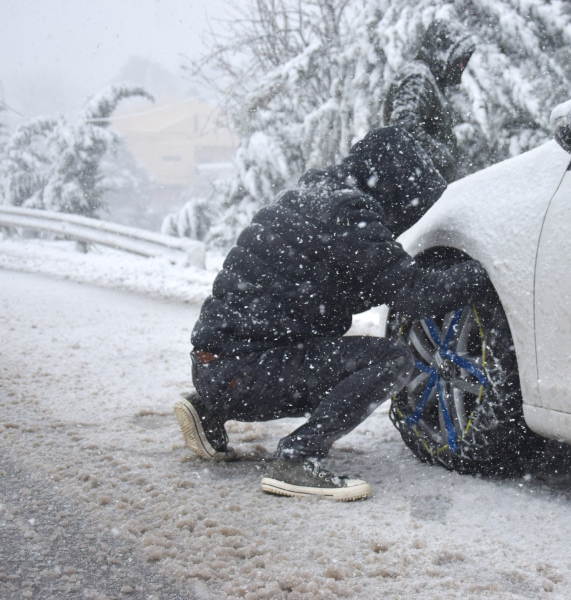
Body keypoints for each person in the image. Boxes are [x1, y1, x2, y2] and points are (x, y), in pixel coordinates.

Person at [174, 127, 490, 501]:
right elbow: (415, 294)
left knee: (322, 354)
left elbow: (338, 286)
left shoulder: (312, 200)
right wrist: (487, 269)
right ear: (393, 187)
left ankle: (209, 406)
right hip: (245, 371)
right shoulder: (347, 215)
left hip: (218, 365)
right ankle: (296, 458)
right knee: (391, 360)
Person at [383, 20, 475, 183]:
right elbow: (402, 127)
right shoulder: (420, 78)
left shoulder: (427, 79)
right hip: (415, 189)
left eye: (464, 61)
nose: (461, 66)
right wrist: (442, 156)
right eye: (458, 59)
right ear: (443, 51)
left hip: (420, 186)